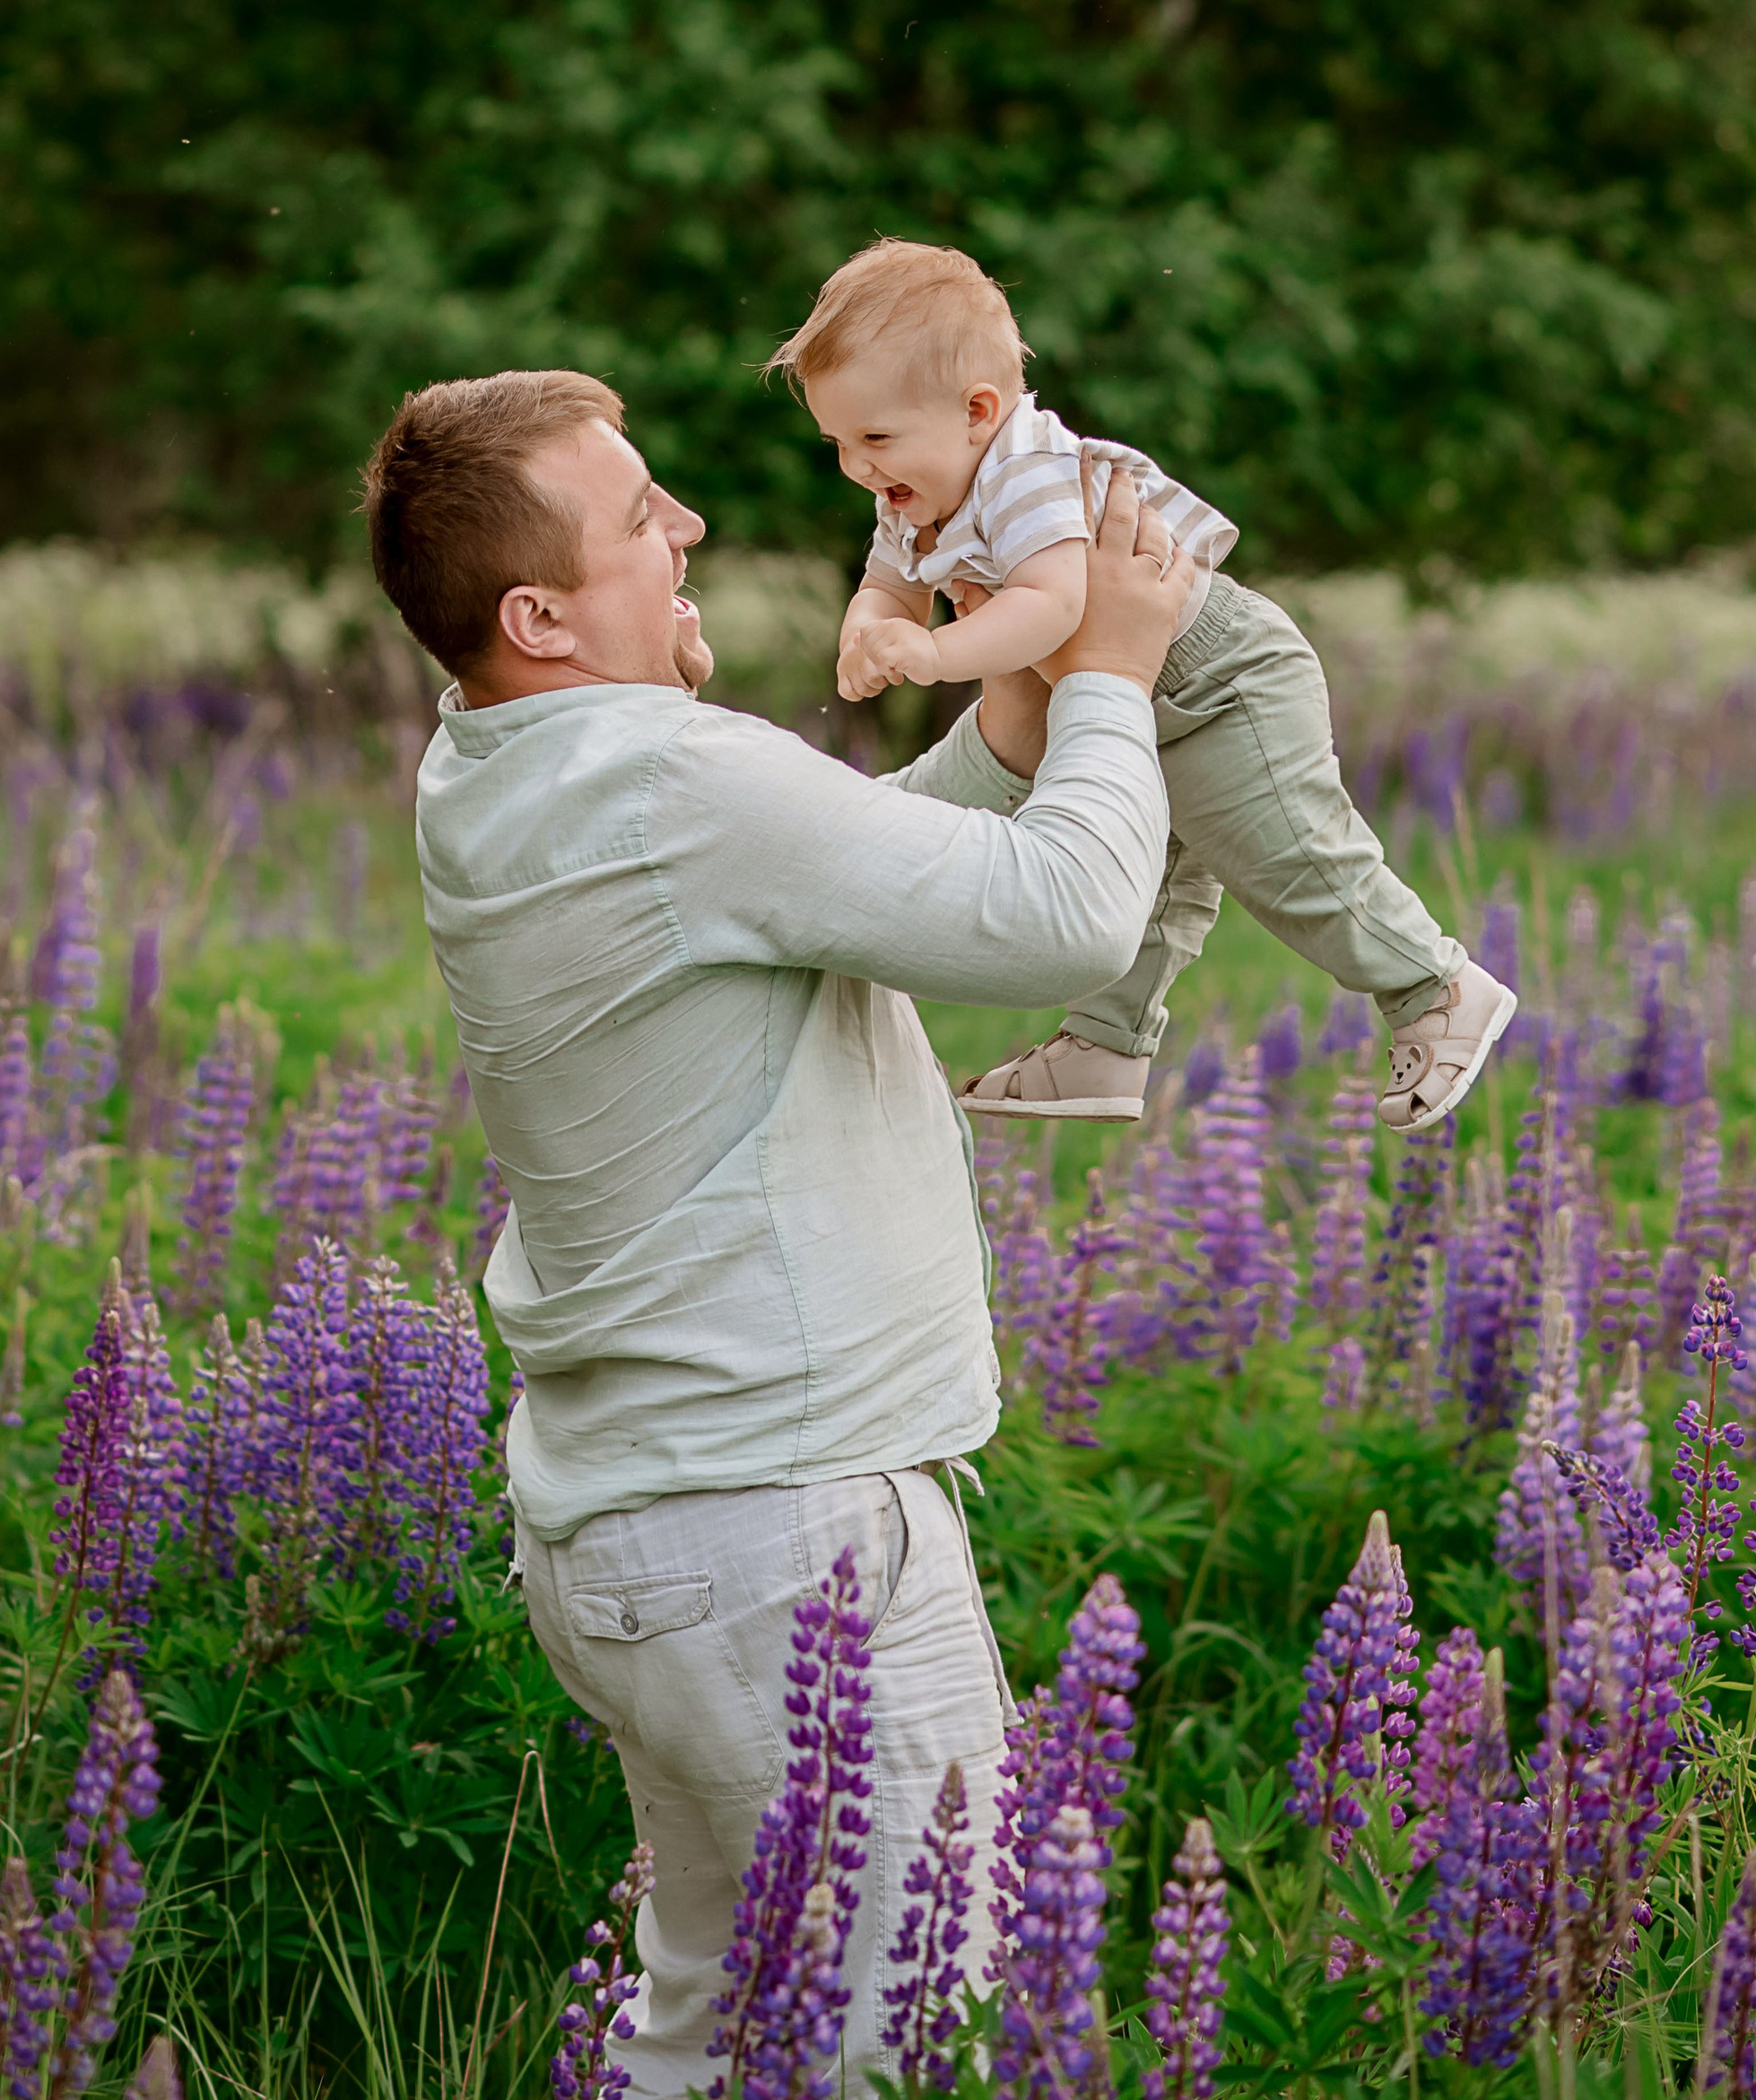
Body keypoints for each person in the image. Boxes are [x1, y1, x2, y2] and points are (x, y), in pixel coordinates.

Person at [361, 366, 1189, 2100]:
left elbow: (830, 863)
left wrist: (1023, 732)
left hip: (651, 1535)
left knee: (709, 2040)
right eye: (642, 513)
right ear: (540, 613)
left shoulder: (495, 762)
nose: (692, 529)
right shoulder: (669, 778)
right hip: (784, 1534)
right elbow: (1068, 922)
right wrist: (1111, 671)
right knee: (912, 2049)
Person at [767, 237, 1515, 1134]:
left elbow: (1052, 608)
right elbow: (885, 587)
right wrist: (869, 633)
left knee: (1286, 857)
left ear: (977, 411)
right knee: (1138, 882)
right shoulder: (914, 495)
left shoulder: (1024, 471)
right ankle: (1106, 1046)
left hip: (1220, 678)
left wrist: (937, 654)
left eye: (874, 438)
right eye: (838, 442)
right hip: (1133, 692)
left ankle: (1434, 987)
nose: (857, 467)